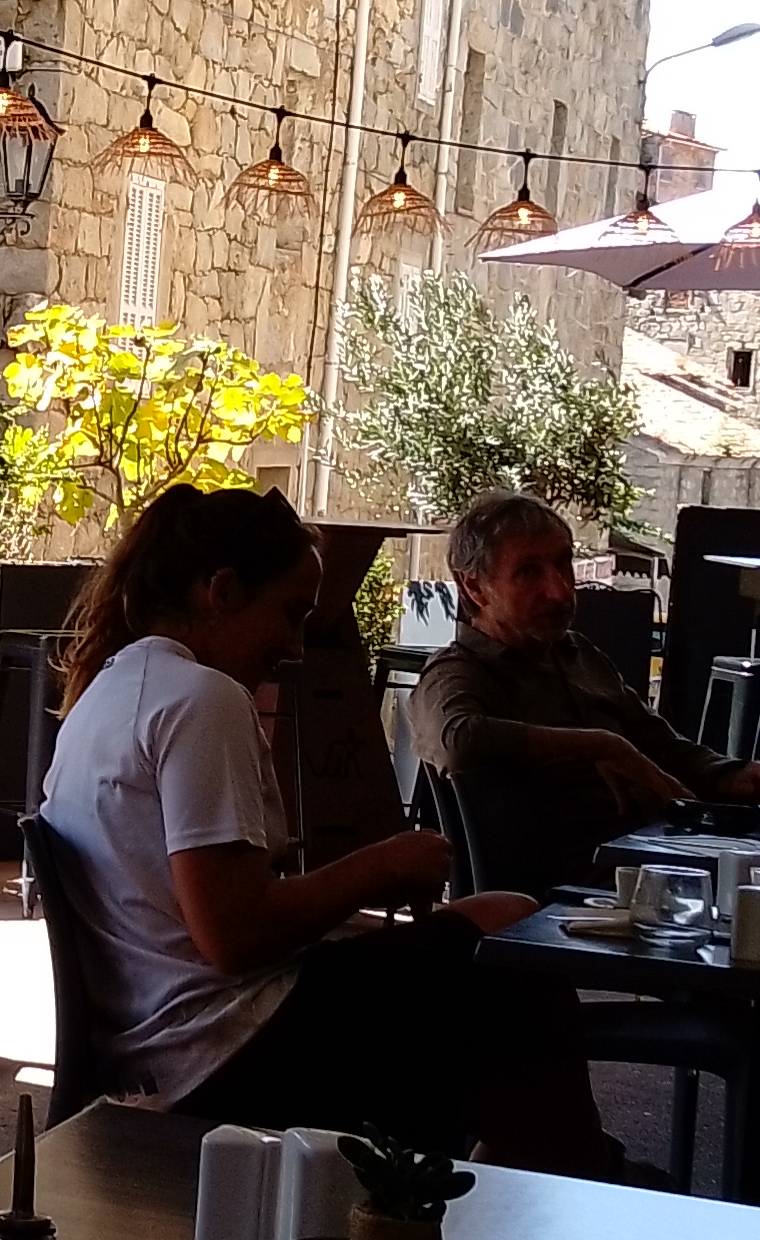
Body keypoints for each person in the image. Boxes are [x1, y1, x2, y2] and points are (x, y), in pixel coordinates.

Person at [40, 485, 627, 1174]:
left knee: (498, 932)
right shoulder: (202, 700)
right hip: (225, 1050)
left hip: (168, 1047)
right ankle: (570, 1176)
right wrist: (383, 866)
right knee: (514, 959)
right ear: (222, 592)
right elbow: (233, 935)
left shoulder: (107, 693)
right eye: (290, 615)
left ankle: (532, 1174)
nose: (294, 647)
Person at [416, 492, 760, 891]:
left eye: (562, 564)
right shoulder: (458, 671)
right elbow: (459, 741)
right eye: (528, 573)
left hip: (658, 863)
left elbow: (662, 747)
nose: (559, 591)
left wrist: (739, 777)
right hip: (575, 898)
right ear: (474, 587)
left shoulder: (579, 654)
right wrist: (601, 746)